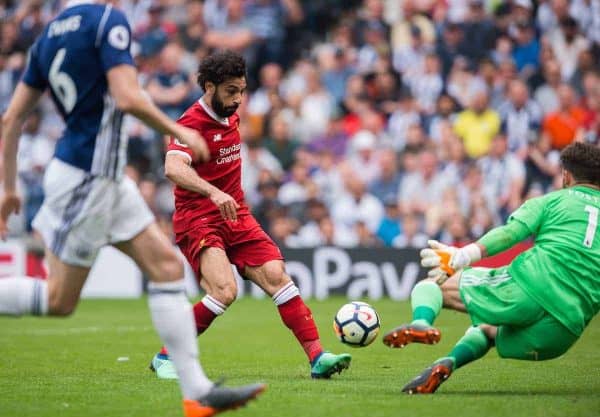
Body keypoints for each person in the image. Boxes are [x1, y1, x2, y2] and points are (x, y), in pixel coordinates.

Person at [0, 2, 265, 416]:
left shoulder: (46, 37)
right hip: (86, 179)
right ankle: (197, 390)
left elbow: (11, 118)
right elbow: (126, 97)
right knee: (59, 300)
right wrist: (179, 131)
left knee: (166, 268)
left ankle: (198, 393)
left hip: (104, 178)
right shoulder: (108, 21)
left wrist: (9, 187)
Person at [151, 50, 351, 380]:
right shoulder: (189, 125)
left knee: (278, 276)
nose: (239, 99)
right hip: (199, 217)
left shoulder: (230, 113)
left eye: (242, 91)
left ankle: (318, 357)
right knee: (224, 291)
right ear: (210, 87)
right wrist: (213, 192)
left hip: (236, 214)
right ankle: (166, 355)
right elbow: (172, 167)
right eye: (231, 91)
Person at [382, 141, 600, 394]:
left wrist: (464, 254)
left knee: (431, 286)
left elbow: (511, 234)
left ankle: (421, 322)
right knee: (486, 332)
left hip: (530, 288)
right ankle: (448, 363)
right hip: (564, 330)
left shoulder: (551, 201)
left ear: (566, 175)